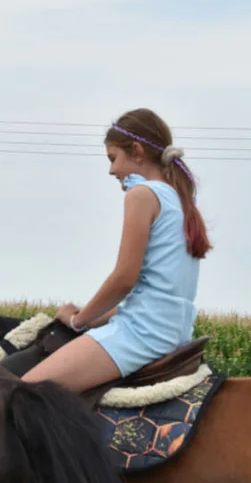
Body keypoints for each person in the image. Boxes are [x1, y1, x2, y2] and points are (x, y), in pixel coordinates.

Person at [21, 108, 211, 394]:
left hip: (141, 335)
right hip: (173, 333)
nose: (111, 170)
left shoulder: (142, 195)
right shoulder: (180, 200)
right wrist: (97, 315)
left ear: (137, 151)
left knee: (22, 395)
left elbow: (124, 278)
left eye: (113, 158)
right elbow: (157, 295)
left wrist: (78, 320)